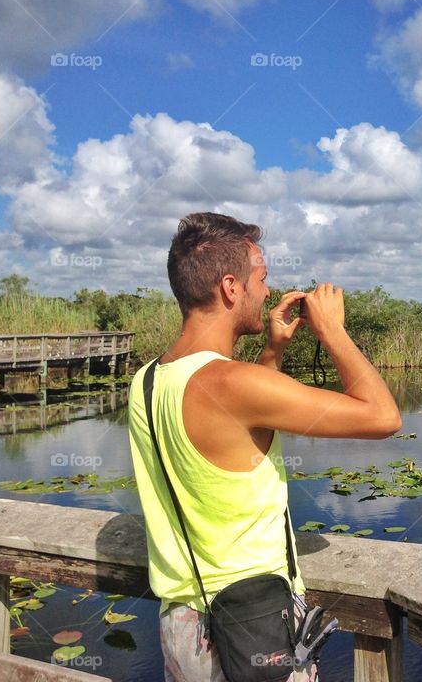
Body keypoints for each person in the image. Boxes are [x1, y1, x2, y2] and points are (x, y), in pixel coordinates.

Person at [128, 212, 402, 682]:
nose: (267, 291)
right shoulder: (234, 384)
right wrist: (332, 331)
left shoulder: (148, 379)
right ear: (230, 287)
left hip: (184, 626)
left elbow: (239, 429)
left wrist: (273, 352)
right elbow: (383, 417)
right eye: (261, 277)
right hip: (256, 625)